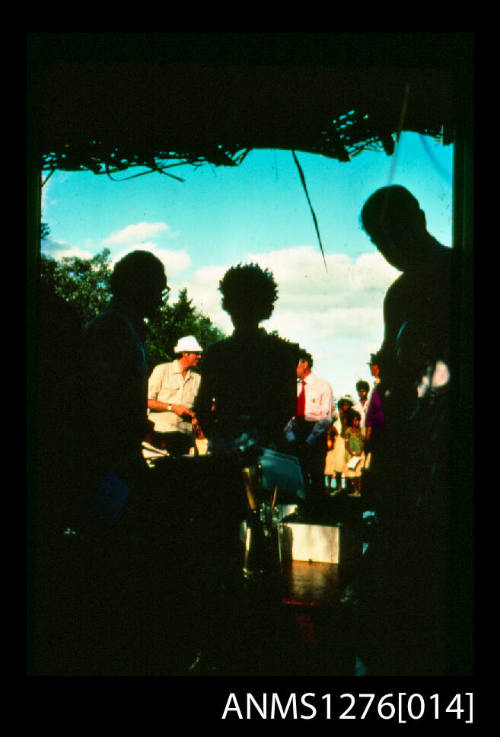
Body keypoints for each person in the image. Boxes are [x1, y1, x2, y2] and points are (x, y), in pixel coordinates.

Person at [352, 185, 456, 675]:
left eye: (390, 232)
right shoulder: (399, 295)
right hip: (410, 466)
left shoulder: (458, 272)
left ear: (418, 215)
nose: (388, 247)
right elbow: (393, 384)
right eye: (378, 240)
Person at [194, 263, 298, 452]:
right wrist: (262, 435)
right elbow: (288, 406)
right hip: (267, 449)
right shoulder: (281, 352)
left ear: (227, 305)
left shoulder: (216, 353)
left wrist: (218, 436)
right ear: (266, 306)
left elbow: (202, 405)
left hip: (226, 447)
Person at [284, 349, 334, 513]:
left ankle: (318, 512)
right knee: (297, 474)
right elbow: (285, 414)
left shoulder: (322, 386)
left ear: (305, 364)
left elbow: (326, 417)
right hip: (296, 431)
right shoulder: (292, 387)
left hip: (315, 432)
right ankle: (299, 510)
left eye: (295, 364)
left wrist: (310, 439)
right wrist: (291, 437)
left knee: (316, 474)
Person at [146, 335, 203, 457]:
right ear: (185, 354)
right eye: (196, 353)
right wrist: (172, 407)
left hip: (184, 439)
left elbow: (199, 408)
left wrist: (195, 417)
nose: (199, 356)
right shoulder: (161, 370)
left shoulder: (198, 378)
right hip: (159, 437)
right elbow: (147, 401)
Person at [343, 408, 365, 496]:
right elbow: (346, 444)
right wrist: (351, 453)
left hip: (359, 454)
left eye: (358, 420)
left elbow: (363, 443)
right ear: (352, 421)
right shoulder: (348, 431)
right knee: (353, 474)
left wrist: (360, 452)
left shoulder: (360, 431)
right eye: (355, 420)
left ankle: (359, 491)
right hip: (351, 454)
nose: (357, 422)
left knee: (359, 474)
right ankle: (355, 490)